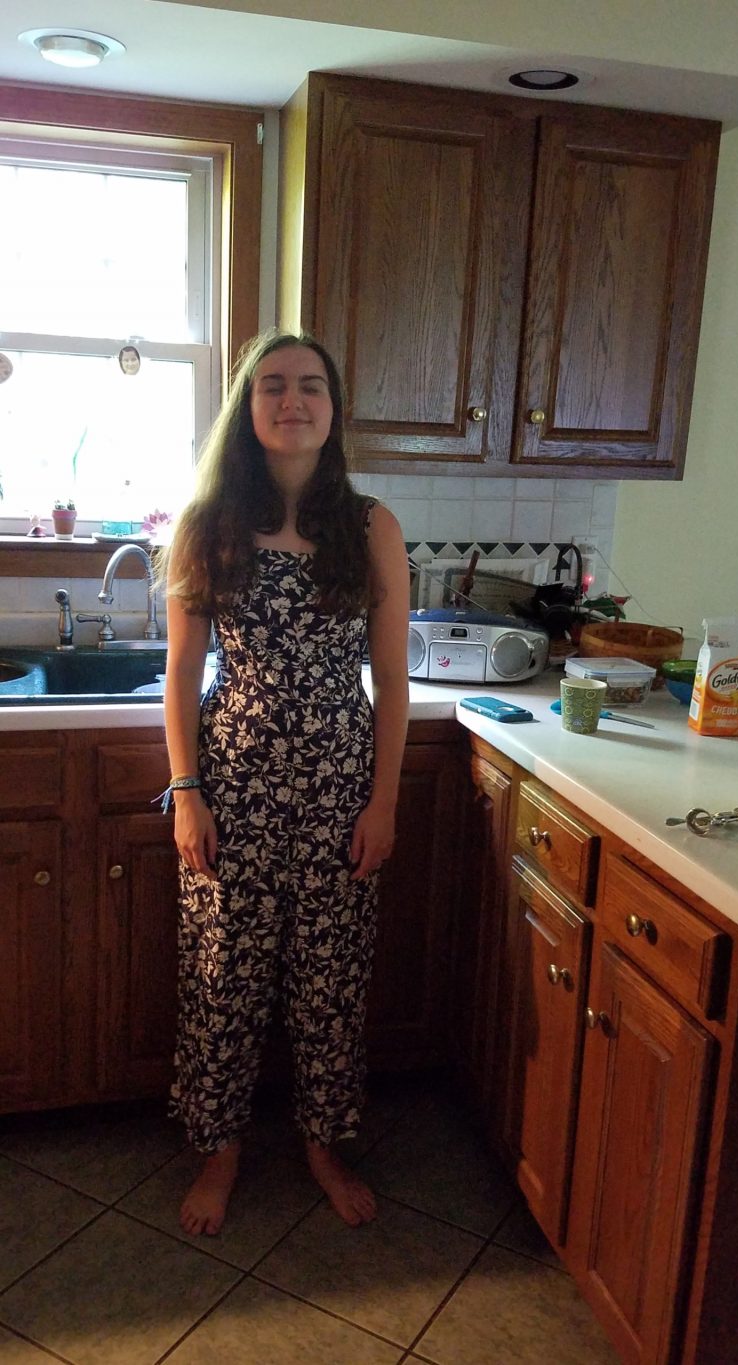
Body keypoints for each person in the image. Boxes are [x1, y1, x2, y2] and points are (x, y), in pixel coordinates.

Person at [160, 328, 410, 1237]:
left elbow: (393, 680)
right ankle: (219, 1151)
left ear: (333, 409)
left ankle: (322, 1145)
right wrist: (187, 790)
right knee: (223, 975)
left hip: (341, 788)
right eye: (272, 385)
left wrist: (383, 801)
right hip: (233, 787)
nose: (291, 400)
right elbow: (182, 671)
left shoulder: (372, 526)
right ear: (249, 407)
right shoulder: (209, 523)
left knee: (330, 979)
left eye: (310, 385)